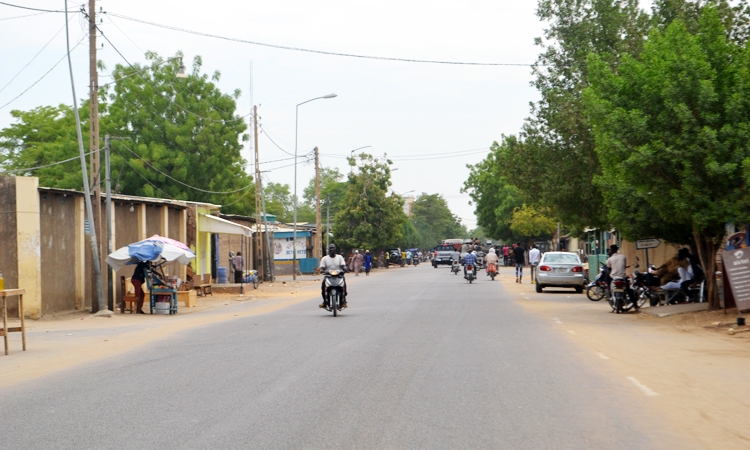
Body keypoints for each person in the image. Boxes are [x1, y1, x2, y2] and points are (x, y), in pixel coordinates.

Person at [319, 244, 348, 308]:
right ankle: (324, 301)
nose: (332, 249)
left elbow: (343, 265)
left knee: (344, 284)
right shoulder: (324, 258)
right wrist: (321, 270)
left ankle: (343, 300)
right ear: (328, 250)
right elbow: (322, 268)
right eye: (330, 248)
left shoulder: (340, 257)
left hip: (339, 276)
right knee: (323, 286)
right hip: (328, 276)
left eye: (333, 248)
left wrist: (345, 268)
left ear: (335, 249)